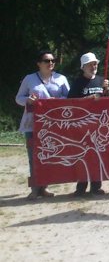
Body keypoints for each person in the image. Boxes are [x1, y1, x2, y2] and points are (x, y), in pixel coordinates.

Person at [16, 50, 70, 199]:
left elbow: (70, 99)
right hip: (32, 123)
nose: (51, 63)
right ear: (39, 63)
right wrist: (28, 100)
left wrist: (57, 101)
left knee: (48, 155)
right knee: (33, 155)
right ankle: (35, 188)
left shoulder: (61, 79)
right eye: (47, 61)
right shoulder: (29, 79)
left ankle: (44, 187)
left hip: (53, 124)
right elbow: (18, 98)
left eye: (53, 60)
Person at [68, 52, 109, 196]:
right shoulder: (77, 82)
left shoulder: (101, 80)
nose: (94, 66)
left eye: (95, 64)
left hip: (98, 125)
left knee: (97, 156)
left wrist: (107, 89)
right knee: (82, 156)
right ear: (83, 67)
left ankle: (96, 186)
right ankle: (81, 187)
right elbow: (70, 102)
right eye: (91, 64)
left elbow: (108, 100)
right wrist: (89, 98)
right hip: (81, 125)